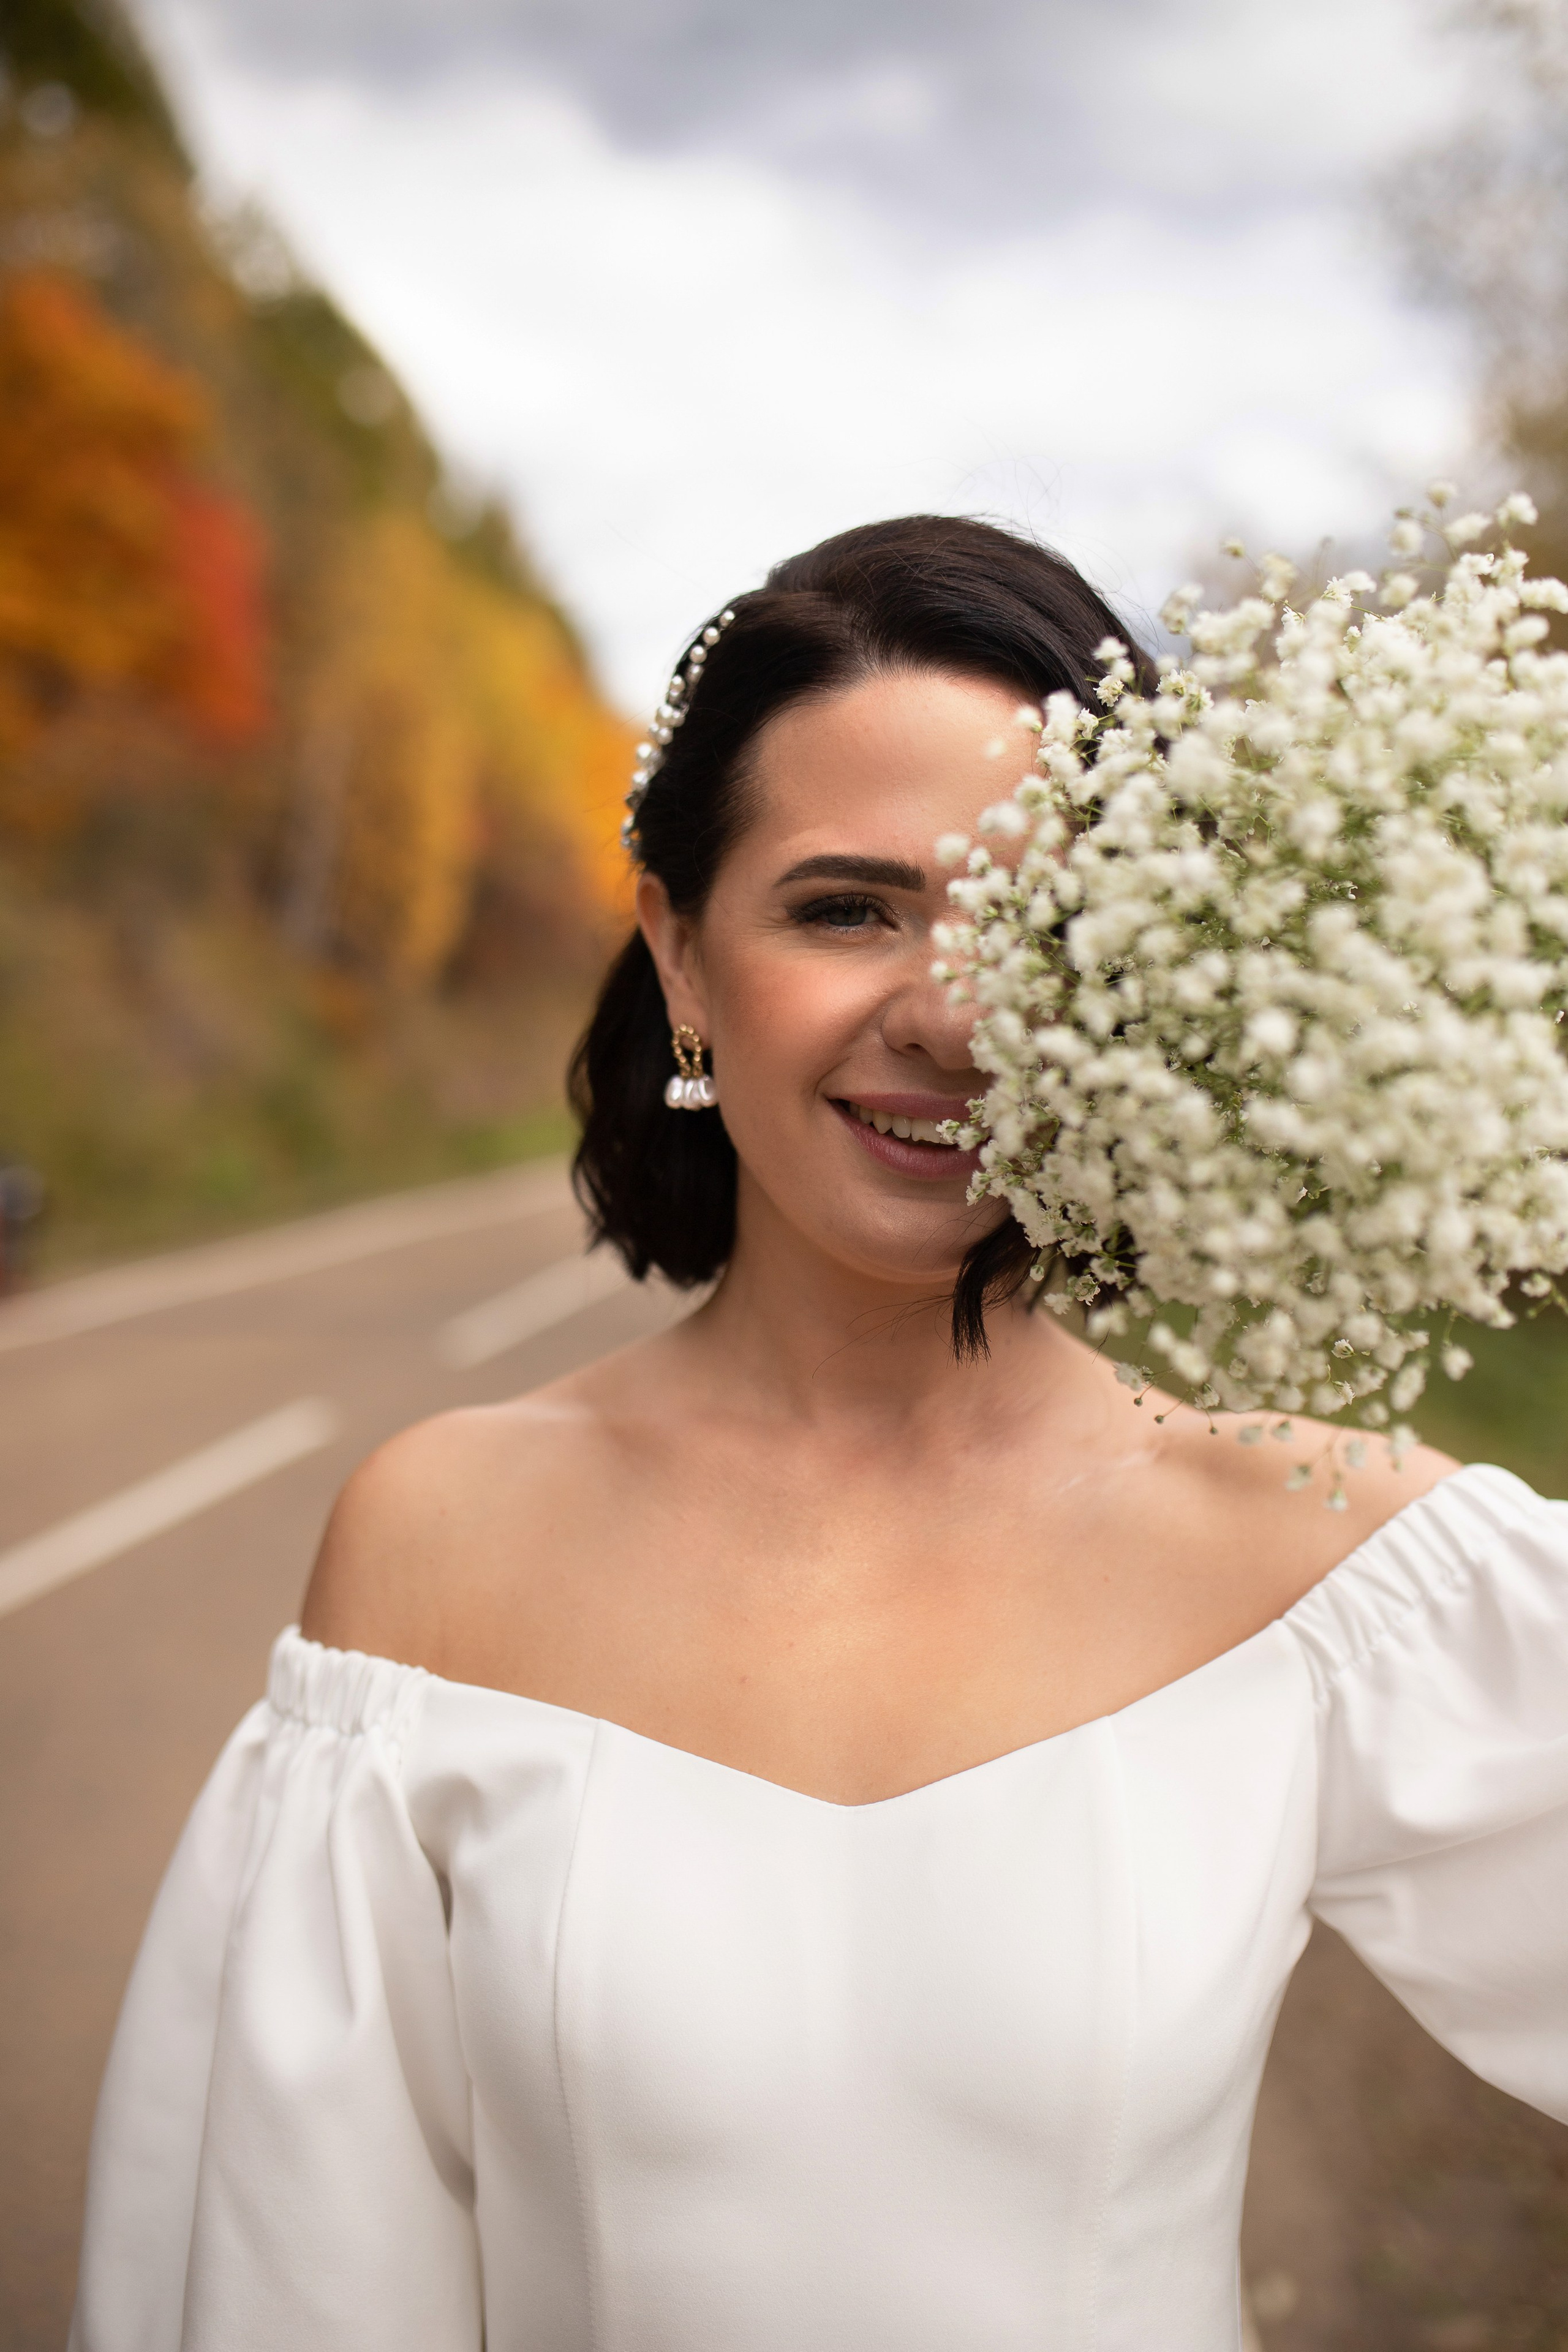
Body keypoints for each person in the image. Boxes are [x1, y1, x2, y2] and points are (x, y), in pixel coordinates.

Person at [71, 518, 1568, 2351]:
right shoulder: (441, 1550)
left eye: (1037, 917)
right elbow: (290, 2279)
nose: (947, 1013)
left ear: (1161, 969)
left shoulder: (1326, 1558)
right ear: (683, 958)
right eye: (846, 908)